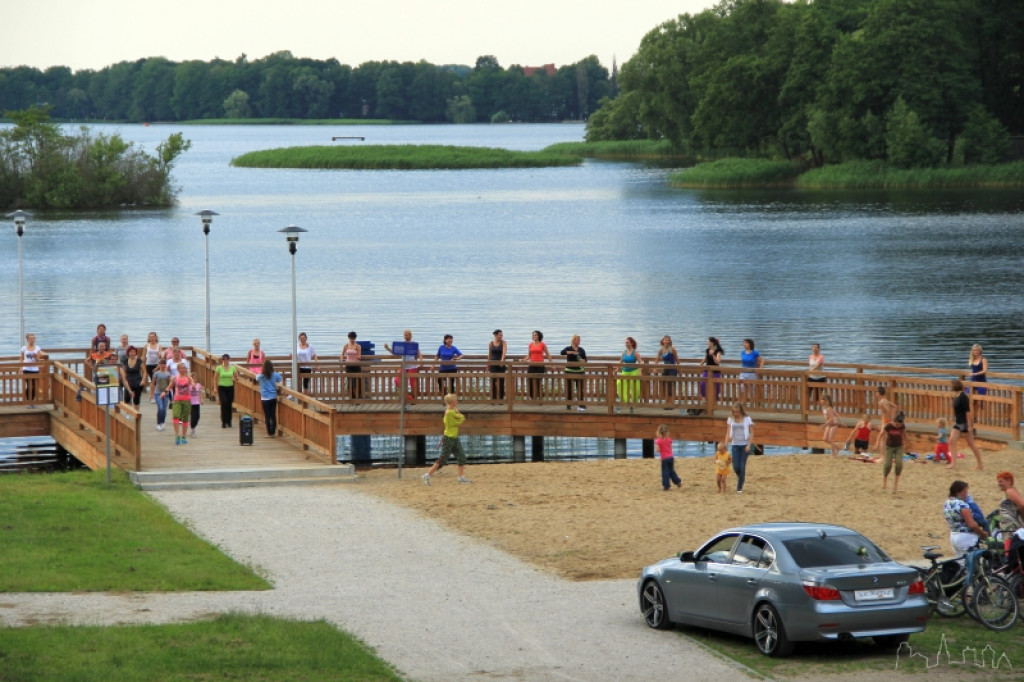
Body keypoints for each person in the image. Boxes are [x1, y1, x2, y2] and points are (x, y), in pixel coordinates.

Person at [422, 393, 471, 485]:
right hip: (449, 438)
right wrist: (459, 414)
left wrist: (458, 414)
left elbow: (458, 419)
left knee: (461, 456)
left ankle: (461, 477)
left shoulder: (450, 411)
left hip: (454, 437)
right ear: (452, 402)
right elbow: (460, 420)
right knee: (443, 459)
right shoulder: (450, 412)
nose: (457, 401)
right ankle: (427, 475)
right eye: (456, 400)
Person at [944, 480, 989, 554]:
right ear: (958, 492)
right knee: (971, 562)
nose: (966, 494)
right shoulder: (962, 504)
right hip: (966, 537)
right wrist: (983, 534)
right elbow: (972, 525)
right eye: (965, 492)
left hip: (954, 535)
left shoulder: (947, 503)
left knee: (960, 562)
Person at [947, 378, 983, 471]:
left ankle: (980, 464)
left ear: (955, 386)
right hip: (957, 423)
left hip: (964, 423)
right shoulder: (957, 396)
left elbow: (967, 412)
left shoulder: (963, 397)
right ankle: (953, 463)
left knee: (971, 444)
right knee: (952, 441)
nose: (951, 387)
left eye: (952, 385)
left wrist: (969, 426)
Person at [384, 329, 422, 403]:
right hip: (404, 366)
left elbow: (419, 353)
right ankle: (406, 396)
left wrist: (420, 362)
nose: (406, 336)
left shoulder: (413, 344)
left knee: (412, 382)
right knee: (397, 380)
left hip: (412, 366)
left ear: (411, 336)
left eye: (408, 335)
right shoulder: (402, 344)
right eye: (405, 335)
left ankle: (414, 399)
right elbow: (396, 354)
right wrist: (388, 348)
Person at [995, 472, 1024, 570]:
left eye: (1001, 481)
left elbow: (1022, 505)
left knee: (1012, 558)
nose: (999, 484)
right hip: (1009, 529)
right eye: (998, 481)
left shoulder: (1010, 491)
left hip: (1011, 529)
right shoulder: (1010, 491)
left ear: (1009, 481)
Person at [725, 402, 754, 494]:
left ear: (741, 411)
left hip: (744, 444)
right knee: (736, 467)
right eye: (734, 412)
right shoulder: (730, 419)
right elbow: (728, 431)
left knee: (742, 466)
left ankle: (739, 488)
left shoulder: (747, 419)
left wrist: (749, 445)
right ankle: (741, 477)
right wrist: (726, 443)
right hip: (735, 444)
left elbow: (752, 432)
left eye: (737, 412)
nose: (736, 414)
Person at [166, 362, 194, 445]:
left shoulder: (188, 378)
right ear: (178, 370)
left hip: (186, 400)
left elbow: (192, 384)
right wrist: (164, 392)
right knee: (176, 416)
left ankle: (184, 436)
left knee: (185, 418)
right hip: (177, 400)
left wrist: (193, 385)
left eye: (185, 368)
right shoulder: (175, 378)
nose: (184, 369)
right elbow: (170, 386)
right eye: (182, 368)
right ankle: (177, 435)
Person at [255, 359, 283, 438]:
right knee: (273, 415)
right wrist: (278, 386)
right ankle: (273, 432)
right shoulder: (275, 374)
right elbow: (280, 379)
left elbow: (256, 378)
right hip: (273, 397)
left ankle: (269, 433)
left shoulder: (262, 376)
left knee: (267, 416)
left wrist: (261, 372)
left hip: (265, 398)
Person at [559, 335, 587, 411]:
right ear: (574, 340)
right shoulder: (568, 348)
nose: (579, 341)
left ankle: (581, 404)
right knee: (569, 388)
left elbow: (585, 360)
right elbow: (562, 353)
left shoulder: (581, 350)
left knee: (580, 389)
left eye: (579, 340)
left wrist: (581, 360)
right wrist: (572, 352)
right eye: (578, 340)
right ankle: (569, 404)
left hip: (579, 371)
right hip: (569, 371)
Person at [697, 336, 724, 413]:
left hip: (715, 371)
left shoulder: (718, 351)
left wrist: (713, 355)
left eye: (708, 341)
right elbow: (705, 359)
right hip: (707, 370)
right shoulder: (707, 350)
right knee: (702, 384)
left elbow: (717, 362)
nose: (707, 342)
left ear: (712, 343)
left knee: (716, 387)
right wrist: (700, 365)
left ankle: (714, 403)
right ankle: (704, 400)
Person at [881, 411, 906, 492]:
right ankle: (884, 480)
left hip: (899, 446)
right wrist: (877, 443)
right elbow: (881, 434)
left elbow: (904, 434)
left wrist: (907, 443)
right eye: (898, 424)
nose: (899, 426)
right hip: (890, 447)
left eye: (900, 424)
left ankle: (895, 484)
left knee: (899, 464)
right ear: (895, 421)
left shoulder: (902, 426)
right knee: (888, 465)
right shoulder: (888, 426)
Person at [20, 333, 46, 403]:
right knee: (29, 385)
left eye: (33, 338)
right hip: (26, 368)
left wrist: (35, 356)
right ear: (27, 339)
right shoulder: (23, 348)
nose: (32, 340)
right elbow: (21, 359)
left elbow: (38, 359)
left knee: (34, 386)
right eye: (31, 338)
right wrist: (21, 367)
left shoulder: (37, 348)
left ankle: (33, 401)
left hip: (34, 369)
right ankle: (28, 401)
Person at [616, 337, 641, 411]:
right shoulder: (624, 352)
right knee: (619, 383)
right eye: (625, 343)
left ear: (631, 343)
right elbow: (620, 362)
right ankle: (626, 401)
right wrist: (617, 369)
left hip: (634, 371)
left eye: (627, 342)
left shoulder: (635, 352)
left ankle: (633, 404)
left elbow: (640, 362)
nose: (626, 344)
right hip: (625, 371)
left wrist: (640, 371)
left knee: (634, 388)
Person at [654, 424, 682, 491]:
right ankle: (677, 481)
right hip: (670, 457)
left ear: (659, 432)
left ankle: (666, 486)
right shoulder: (669, 440)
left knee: (665, 472)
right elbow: (670, 449)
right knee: (671, 470)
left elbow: (657, 450)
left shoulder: (658, 441)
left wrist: (658, 446)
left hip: (664, 458)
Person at [654, 335, 680, 408]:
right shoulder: (661, 350)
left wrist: (679, 370)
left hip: (672, 369)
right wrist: (655, 368)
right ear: (663, 341)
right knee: (664, 386)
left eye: (669, 340)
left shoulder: (672, 349)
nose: (667, 341)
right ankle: (667, 402)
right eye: (666, 340)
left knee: (670, 387)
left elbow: (677, 360)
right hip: (665, 369)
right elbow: (657, 360)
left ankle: (671, 404)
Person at [525, 330, 551, 400]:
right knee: (529, 380)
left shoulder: (542, 344)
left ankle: (540, 397)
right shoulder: (530, 344)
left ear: (539, 336)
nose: (534, 336)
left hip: (540, 365)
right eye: (533, 335)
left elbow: (548, 355)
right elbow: (529, 356)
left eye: (536, 335)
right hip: (532, 365)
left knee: (538, 381)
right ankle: (532, 397)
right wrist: (524, 359)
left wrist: (552, 364)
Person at [872, 386, 898, 454]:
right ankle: (883, 454)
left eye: (876, 392)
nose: (876, 394)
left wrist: (891, 419)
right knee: (883, 438)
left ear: (879, 393)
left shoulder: (881, 402)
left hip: (886, 421)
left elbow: (888, 410)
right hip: (885, 421)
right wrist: (892, 418)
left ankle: (880, 452)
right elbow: (895, 406)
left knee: (881, 437)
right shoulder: (886, 400)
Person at [215, 353, 237, 428]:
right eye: (224, 359)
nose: (225, 360)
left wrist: (236, 378)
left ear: (229, 360)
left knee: (229, 404)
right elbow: (215, 378)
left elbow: (236, 377)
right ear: (222, 360)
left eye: (227, 359)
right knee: (224, 403)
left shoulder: (232, 368)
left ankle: (229, 421)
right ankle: (224, 421)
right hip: (222, 387)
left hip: (230, 387)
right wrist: (215, 388)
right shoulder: (219, 368)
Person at [739, 339, 763, 405]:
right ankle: (742, 404)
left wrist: (759, 370)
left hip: (752, 373)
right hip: (743, 373)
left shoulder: (755, 353)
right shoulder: (742, 352)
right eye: (743, 343)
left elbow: (762, 360)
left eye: (746, 343)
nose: (744, 344)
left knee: (752, 390)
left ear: (750, 344)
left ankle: (754, 404)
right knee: (742, 388)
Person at [341, 331, 363, 399]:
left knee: (357, 380)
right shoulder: (346, 345)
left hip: (356, 365)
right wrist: (342, 361)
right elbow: (342, 354)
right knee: (350, 380)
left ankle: (358, 396)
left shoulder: (358, 346)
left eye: (353, 338)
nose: (352, 340)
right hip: (348, 365)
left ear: (355, 338)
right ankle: (351, 396)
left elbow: (359, 356)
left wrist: (355, 355)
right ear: (348, 338)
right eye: (350, 338)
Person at [487, 329, 507, 400]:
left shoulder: (503, 343)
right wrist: (488, 364)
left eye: (501, 335)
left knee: (501, 381)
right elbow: (490, 354)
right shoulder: (491, 343)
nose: (501, 336)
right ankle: (493, 398)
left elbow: (504, 352)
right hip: (493, 363)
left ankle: (501, 398)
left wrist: (502, 360)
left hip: (501, 364)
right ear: (495, 335)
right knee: (493, 381)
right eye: (499, 335)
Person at [151, 360, 171, 431]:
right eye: (161, 364)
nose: (163, 366)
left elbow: (170, 384)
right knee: (160, 408)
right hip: (157, 393)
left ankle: (162, 422)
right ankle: (158, 423)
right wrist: (152, 394)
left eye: (164, 364)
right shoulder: (156, 374)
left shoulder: (168, 374)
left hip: (166, 393)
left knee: (164, 409)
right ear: (159, 365)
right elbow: (153, 383)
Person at [143, 332, 163, 401]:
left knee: (157, 380)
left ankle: (156, 394)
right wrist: (143, 365)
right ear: (149, 338)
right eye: (150, 337)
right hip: (149, 364)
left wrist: (160, 355)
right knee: (152, 380)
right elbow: (143, 356)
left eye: (153, 337)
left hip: (156, 365)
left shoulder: (159, 346)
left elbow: (160, 354)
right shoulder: (146, 346)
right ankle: (152, 396)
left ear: (156, 337)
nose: (152, 338)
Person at [189, 372, 203, 438]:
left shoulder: (198, 385)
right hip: (191, 402)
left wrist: (201, 399)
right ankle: (192, 429)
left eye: (196, 378)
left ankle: (194, 426)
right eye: (193, 378)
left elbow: (199, 393)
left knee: (198, 416)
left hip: (197, 402)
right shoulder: (189, 385)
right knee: (193, 416)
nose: (195, 379)